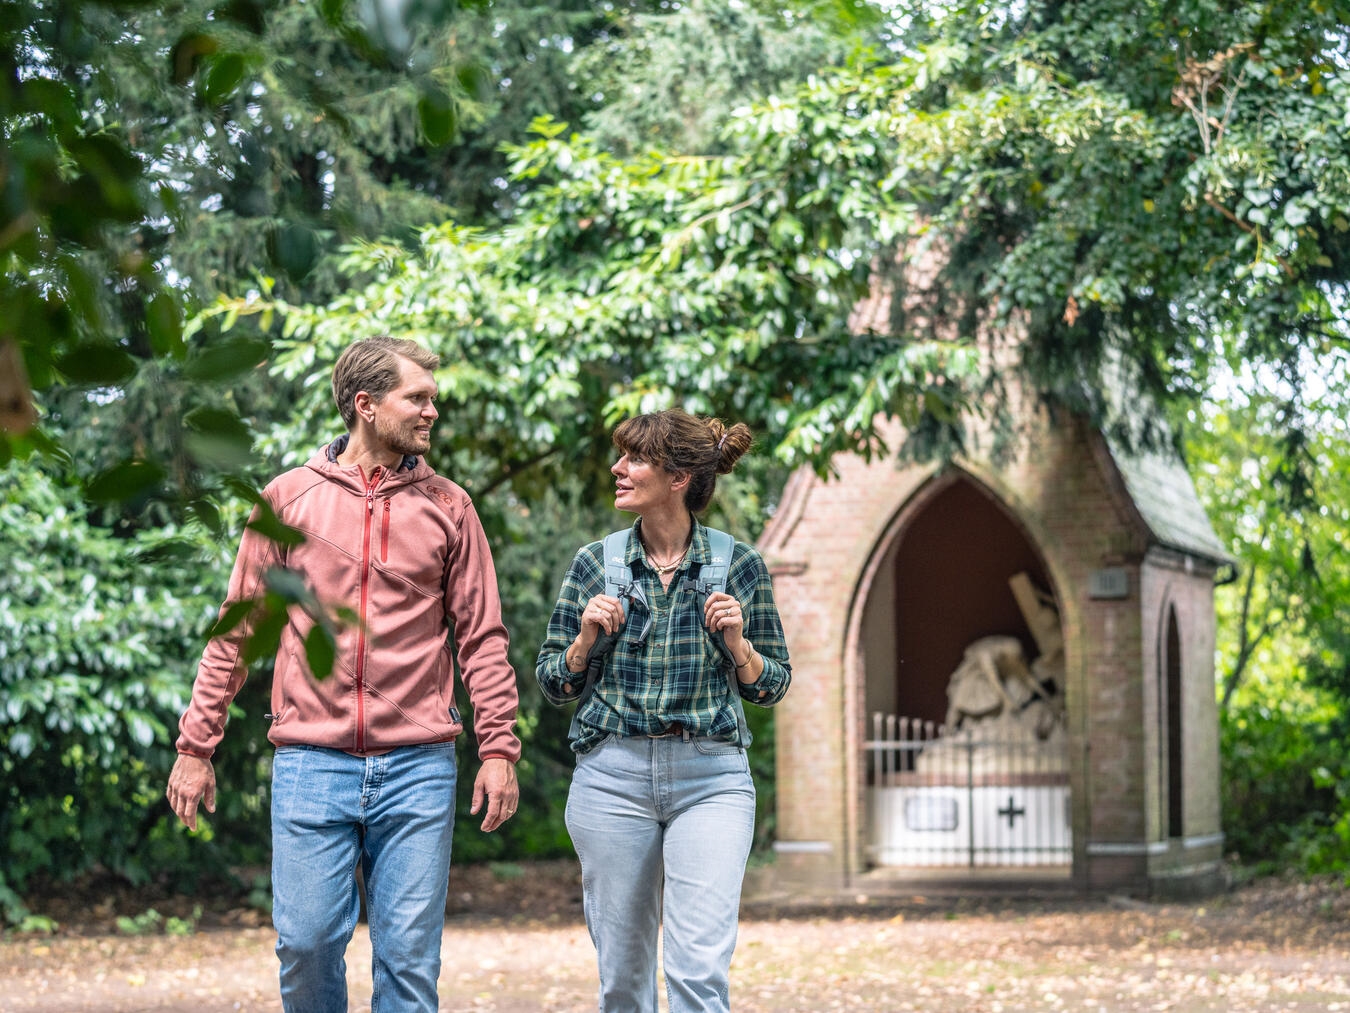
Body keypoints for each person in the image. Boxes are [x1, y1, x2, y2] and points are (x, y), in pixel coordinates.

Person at [166, 335, 521, 1013]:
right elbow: (236, 630)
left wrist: (499, 747)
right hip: (310, 761)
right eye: (417, 397)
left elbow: (482, 638)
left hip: (419, 764)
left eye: (432, 398)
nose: (431, 411)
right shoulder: (288, 500)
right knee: (304, 944)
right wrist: (195, 744)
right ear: (366, 404)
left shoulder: (450, 507)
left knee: (410, 961)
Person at [535, 408, 791, 1013]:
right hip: (611, 779)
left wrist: (740, 646)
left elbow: (771, 687)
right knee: (623, 978)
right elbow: (552, 682)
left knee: (699, 972)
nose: (618, 469)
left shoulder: (739, 565)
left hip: (711, 780)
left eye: (634, 459)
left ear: (677, 478)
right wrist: (584, 641)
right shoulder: (595, 563)